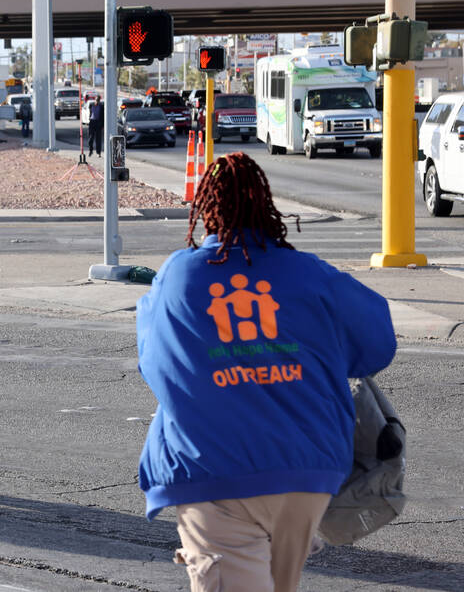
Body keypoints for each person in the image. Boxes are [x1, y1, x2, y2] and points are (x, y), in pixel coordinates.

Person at [135, 152, 395, 592]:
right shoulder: (309, 274)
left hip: (213, 472)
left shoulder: (180, 276)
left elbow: (154, 362)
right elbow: (377, 344)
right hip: (306, 473)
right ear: (266, 205)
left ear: (206, 209)